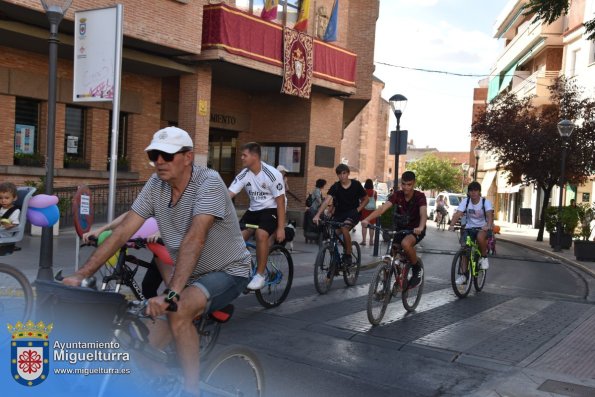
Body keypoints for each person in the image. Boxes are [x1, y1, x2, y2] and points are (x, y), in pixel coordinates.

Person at [63, 126, 251, 396]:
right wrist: (81, 274)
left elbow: (195, 238)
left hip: (229, 270)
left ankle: (191, 390)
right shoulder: (156, 185)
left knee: (177, 309)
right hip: (192, 276)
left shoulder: (209, 182)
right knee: (141, 349)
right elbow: (123, 231)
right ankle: (167, 387)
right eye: (154, 155)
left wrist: (171, 294)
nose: (160, 161)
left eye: (167, 155)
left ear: (187, 157)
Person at [229, 142, 286, 290]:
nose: (241, 158)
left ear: (254, 156)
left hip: (272, 209)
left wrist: (281, 228)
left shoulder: (272, 174)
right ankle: (246, 267)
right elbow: (229, 194)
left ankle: (260, 275)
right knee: (237, 238)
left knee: (261, 234)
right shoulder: (244, 174)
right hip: (254, 210)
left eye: (244, 155)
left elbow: (280, 202)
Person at [361, 171, 427, 288]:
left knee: (406, 244)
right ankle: (388, 285)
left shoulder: (419, 196)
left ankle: (417, 269)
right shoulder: (397, 195)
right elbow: (382, 209)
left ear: (414, 184)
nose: (406, 187)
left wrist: (421, 227)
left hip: (415, 229)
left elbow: (423, 213)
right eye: (404, 184)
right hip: (400, 229)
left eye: (409, 184)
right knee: (391, 255)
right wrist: (367, 219)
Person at [82, 212, 169, 298]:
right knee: (148, 287)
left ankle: (176, 307)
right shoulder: (153, 200)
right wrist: (100, 231)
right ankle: (151, 311)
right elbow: (131, 214)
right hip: (158, 250)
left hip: (175, 252)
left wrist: (161, 232)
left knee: (173, 291)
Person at [313, 164, 368, 265]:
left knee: (344, 228)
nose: (342, 176)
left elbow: (366, 199)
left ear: (348, 173)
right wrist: (317, 215)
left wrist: (358, 209)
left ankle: (348, 255)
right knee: (331, 234)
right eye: (339, 174)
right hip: (339, 215)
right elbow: (326, 201)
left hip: (353, 214)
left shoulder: (356, 184)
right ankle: (335, 262)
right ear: (337, 175)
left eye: (344, 173)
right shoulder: (336, 186)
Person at [448, 181, 494, 285]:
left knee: (480, 238)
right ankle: (464, 275)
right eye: (471, 191)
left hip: (483, 227)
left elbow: (489, 215)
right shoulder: (466, 201)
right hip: (469, 227)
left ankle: (484, 257)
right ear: (468, 192)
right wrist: (451, 224)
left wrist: (488, 225)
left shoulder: (485, 202)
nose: (473, 193)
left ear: (479, 192)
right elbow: (458, 213)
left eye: (475, 191)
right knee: (465, 249)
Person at [360, 179, 378, 246]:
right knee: (372, 226)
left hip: (364, 210)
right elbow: (375, 200)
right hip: (372, 211)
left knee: (364, 226)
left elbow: (361, 200)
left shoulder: (363, 192)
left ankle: (364, 241)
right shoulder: (374, 192)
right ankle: (371, 241)